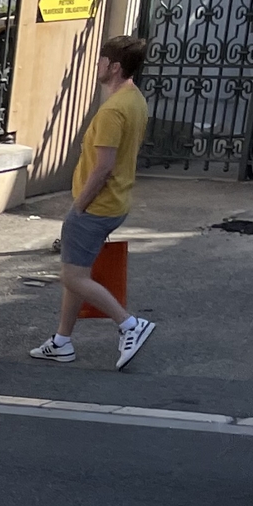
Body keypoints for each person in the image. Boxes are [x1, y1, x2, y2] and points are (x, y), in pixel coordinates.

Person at [30, 35, 158, 368]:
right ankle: (62, 341)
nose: (98, 66)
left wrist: (79, 205)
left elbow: (103, 167)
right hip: (115, 202)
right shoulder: (135, 100)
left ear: (114, 67)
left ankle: (130, 324)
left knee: (71, 277)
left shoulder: (113, 110)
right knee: (78, 271)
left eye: (102, 61)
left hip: (96, 206)